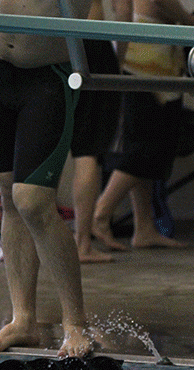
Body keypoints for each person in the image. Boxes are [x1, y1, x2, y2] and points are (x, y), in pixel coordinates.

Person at [0, 0, 94, 357]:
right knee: (9, 197)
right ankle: (23, 320)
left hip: (47, 76)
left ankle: (75, 324)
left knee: (33, 200)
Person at [91, 0, 194, 251]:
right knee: (147, 146)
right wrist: (193, 22)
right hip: (146, 56)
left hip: (142, 52)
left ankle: (143, 228)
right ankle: (101, 214)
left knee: (146, 147)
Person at [71, 0, 126, 263]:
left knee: (47, 147)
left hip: (49, 43)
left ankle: (26, 241)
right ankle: (82, 243)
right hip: (92, 42)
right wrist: (120, 58)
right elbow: (123, 9)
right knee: (87, 151)